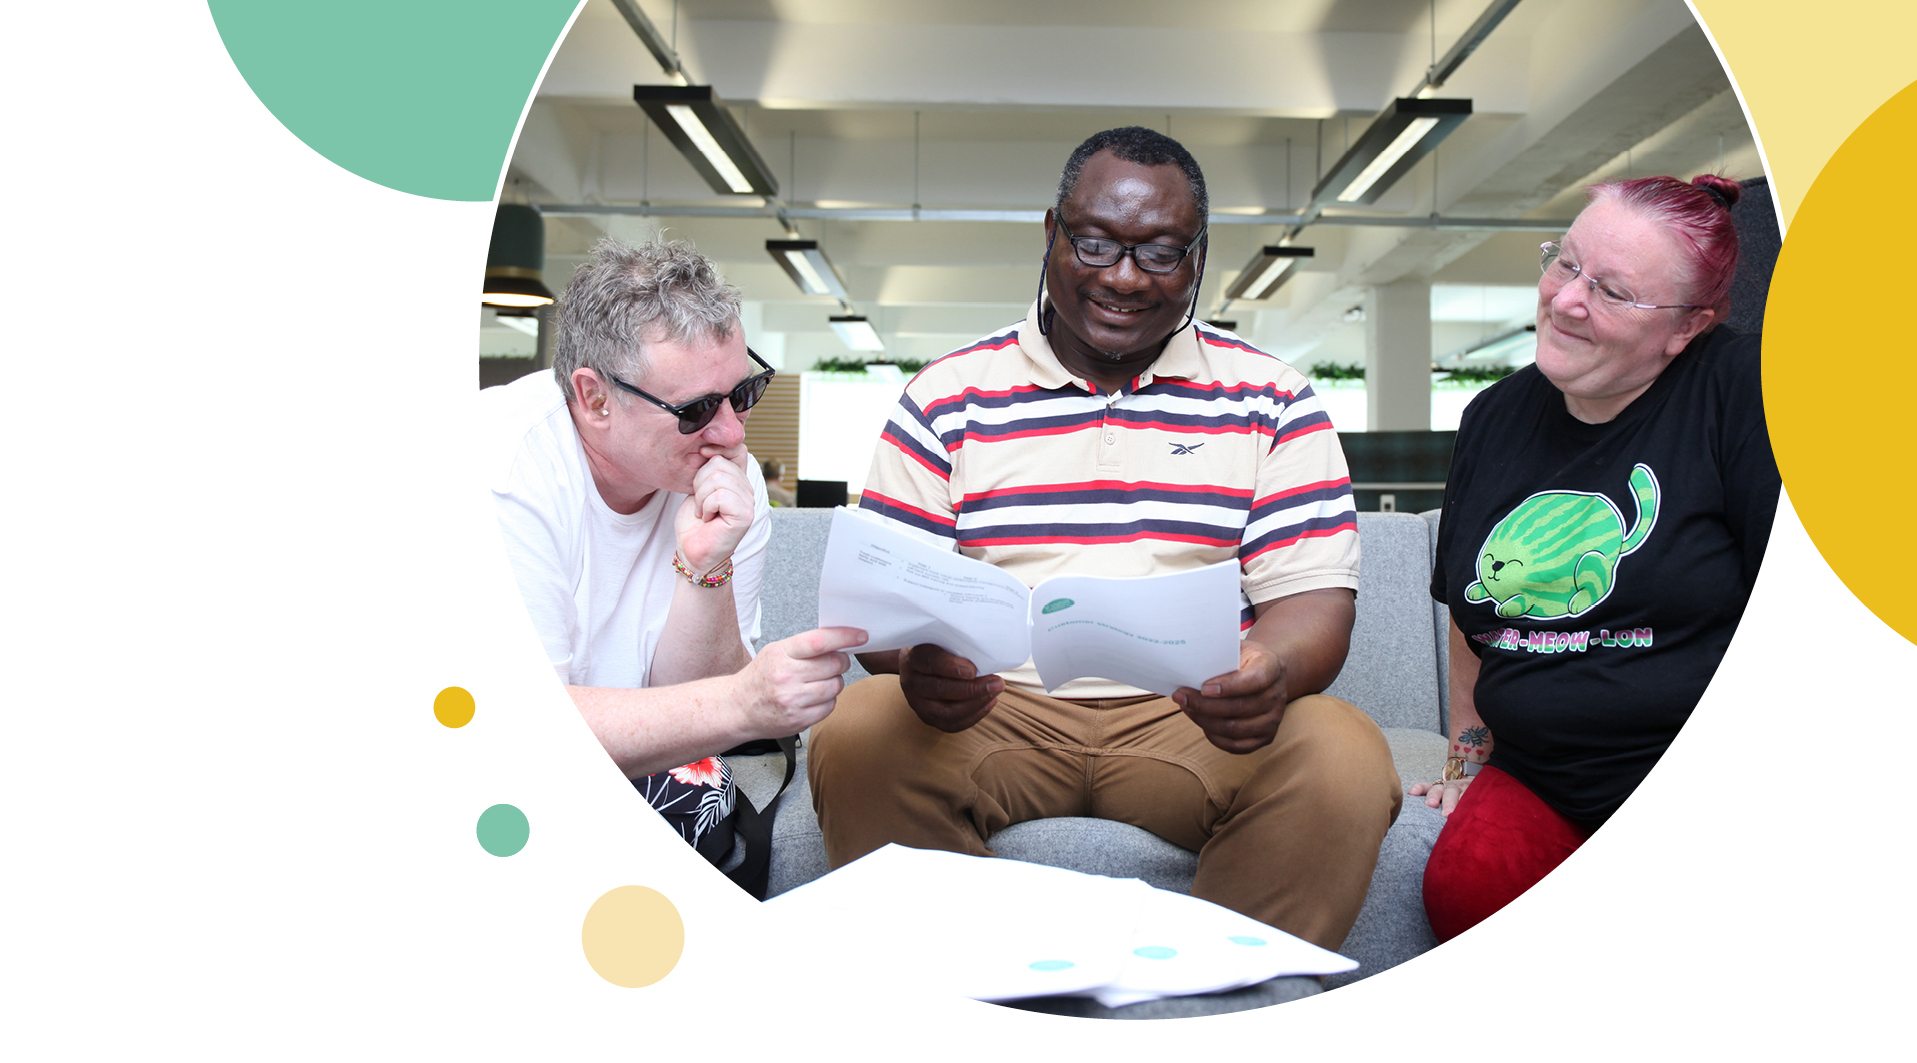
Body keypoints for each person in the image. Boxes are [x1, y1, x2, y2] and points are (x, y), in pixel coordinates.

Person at [806, 127, 1402, 951]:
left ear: (1198, 258)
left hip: (1191, 718)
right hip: (992, 712)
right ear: (1051, 232)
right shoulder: (946, 396)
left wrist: (1269, 668)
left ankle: (1218, 1010)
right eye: (1094, 243)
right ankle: (963, 1002)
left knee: (1341, 750)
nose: (1123, 278)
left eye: (1160, 253)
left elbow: (1311, 604)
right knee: (860, 723)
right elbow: (888, 601)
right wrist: (914, 665)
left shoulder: (1273, 400)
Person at [1413, 175, 1780, 940]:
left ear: (1687, 327)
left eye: (1612, 290)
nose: (1567, 299)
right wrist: (1464, 764)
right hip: (1539, 775)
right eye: (1565, 263)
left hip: (1707, 775)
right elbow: (1468, 611)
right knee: (1464, 891)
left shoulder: (1747, 390)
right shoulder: (1492, 416)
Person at [479, 238, 865, 892]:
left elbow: (691, 713)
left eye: (742, 392)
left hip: (640, 766)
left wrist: (706, 570)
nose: (732, 434)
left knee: (702, 809)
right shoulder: (506, 474)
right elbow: (517, 733)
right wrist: (745, 699)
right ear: (594, 398)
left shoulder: (724, 478)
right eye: (694, 410)